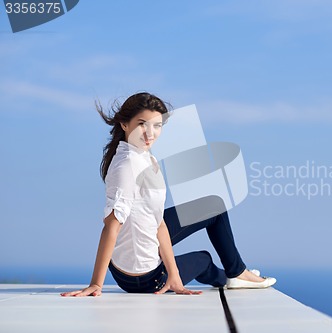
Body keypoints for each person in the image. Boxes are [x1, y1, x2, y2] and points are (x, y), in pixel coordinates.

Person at [61, 92, 275, 297]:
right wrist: (96, 284)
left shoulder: (143, 157)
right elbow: (111, 225)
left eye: (157, 125)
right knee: (204, 259)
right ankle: (234, 277)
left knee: (213, 206)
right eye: (142, 124)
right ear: (125, 124)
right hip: (144, 279)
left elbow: (159, 223)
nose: (150, 133)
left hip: (132, 261)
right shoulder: (128, 165)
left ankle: (237, 273)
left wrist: (174, 273)